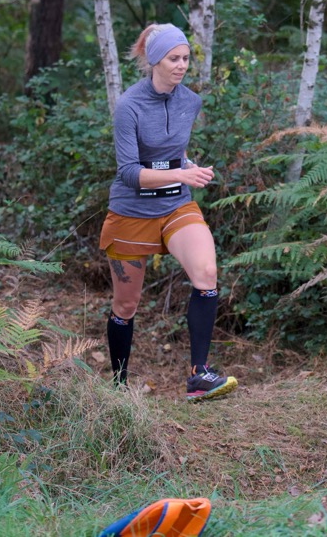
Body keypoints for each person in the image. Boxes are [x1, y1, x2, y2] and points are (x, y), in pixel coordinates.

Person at [99, 23, 236, 402]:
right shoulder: (128, 106)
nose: (181, 65)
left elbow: (174, 152)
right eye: (174, 58)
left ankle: (198, 376)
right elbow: (129, 173)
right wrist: (180, 173)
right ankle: (118, 388)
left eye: (186, 58)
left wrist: (187, 166)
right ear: (155, 60)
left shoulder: (190, 102)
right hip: (131, 211)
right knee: (126, 304)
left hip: (175, 203)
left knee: (206, 273)